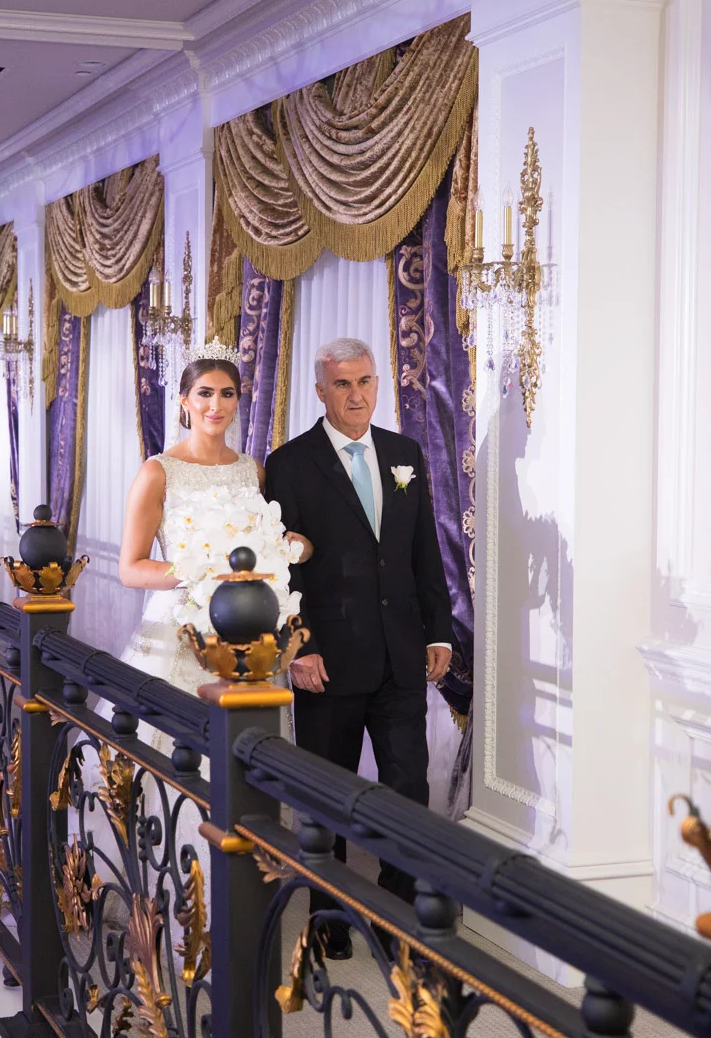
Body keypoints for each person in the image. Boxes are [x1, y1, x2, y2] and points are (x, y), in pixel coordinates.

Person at [263, 336, 454, 960]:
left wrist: (438, 630)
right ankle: (329, 917)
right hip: (326, 660)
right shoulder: (289, 464)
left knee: (407, 790)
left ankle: (397, 918)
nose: (356, 395)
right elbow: (280, 568)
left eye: (365, 382)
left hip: (401, 656)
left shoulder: (404, 454)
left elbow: (423, 548)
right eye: (343, 384)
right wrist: (299, 645)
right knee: (327, 795)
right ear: (321, 390)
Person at [116, 345, 305, 731]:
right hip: (181, 628)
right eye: (205, 393)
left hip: (249, 630)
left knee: (248, 742)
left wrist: (290, 549)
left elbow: (273, 542)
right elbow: (130, 569)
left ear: (237, 401)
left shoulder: (253, 471)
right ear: (185, 400)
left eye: (226, 393)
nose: (215, 405)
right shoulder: (158, 473)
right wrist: (202, 572)